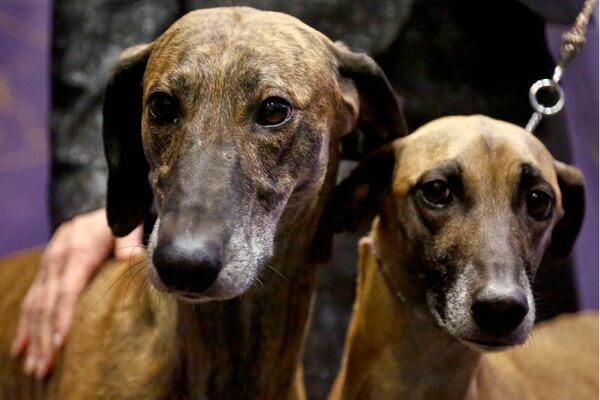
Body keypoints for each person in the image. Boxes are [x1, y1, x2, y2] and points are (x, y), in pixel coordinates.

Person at [11, 0, 586, 395]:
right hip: (232, 47)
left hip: (476, 74)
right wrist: (96, 191)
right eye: (162, 108)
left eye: (271, 114)